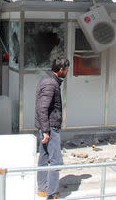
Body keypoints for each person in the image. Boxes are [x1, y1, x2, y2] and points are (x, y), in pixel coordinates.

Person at [35, 57, 70, 199]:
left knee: (44, 157)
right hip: (50, 127)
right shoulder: (51, 84)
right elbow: (42, 108)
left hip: (46, 126)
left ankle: (42, 189)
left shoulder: (48, 79)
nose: (68, 72)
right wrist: (46, 131)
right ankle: (52, 193)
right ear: (61, 69)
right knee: (56, 160)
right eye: (67, 69)